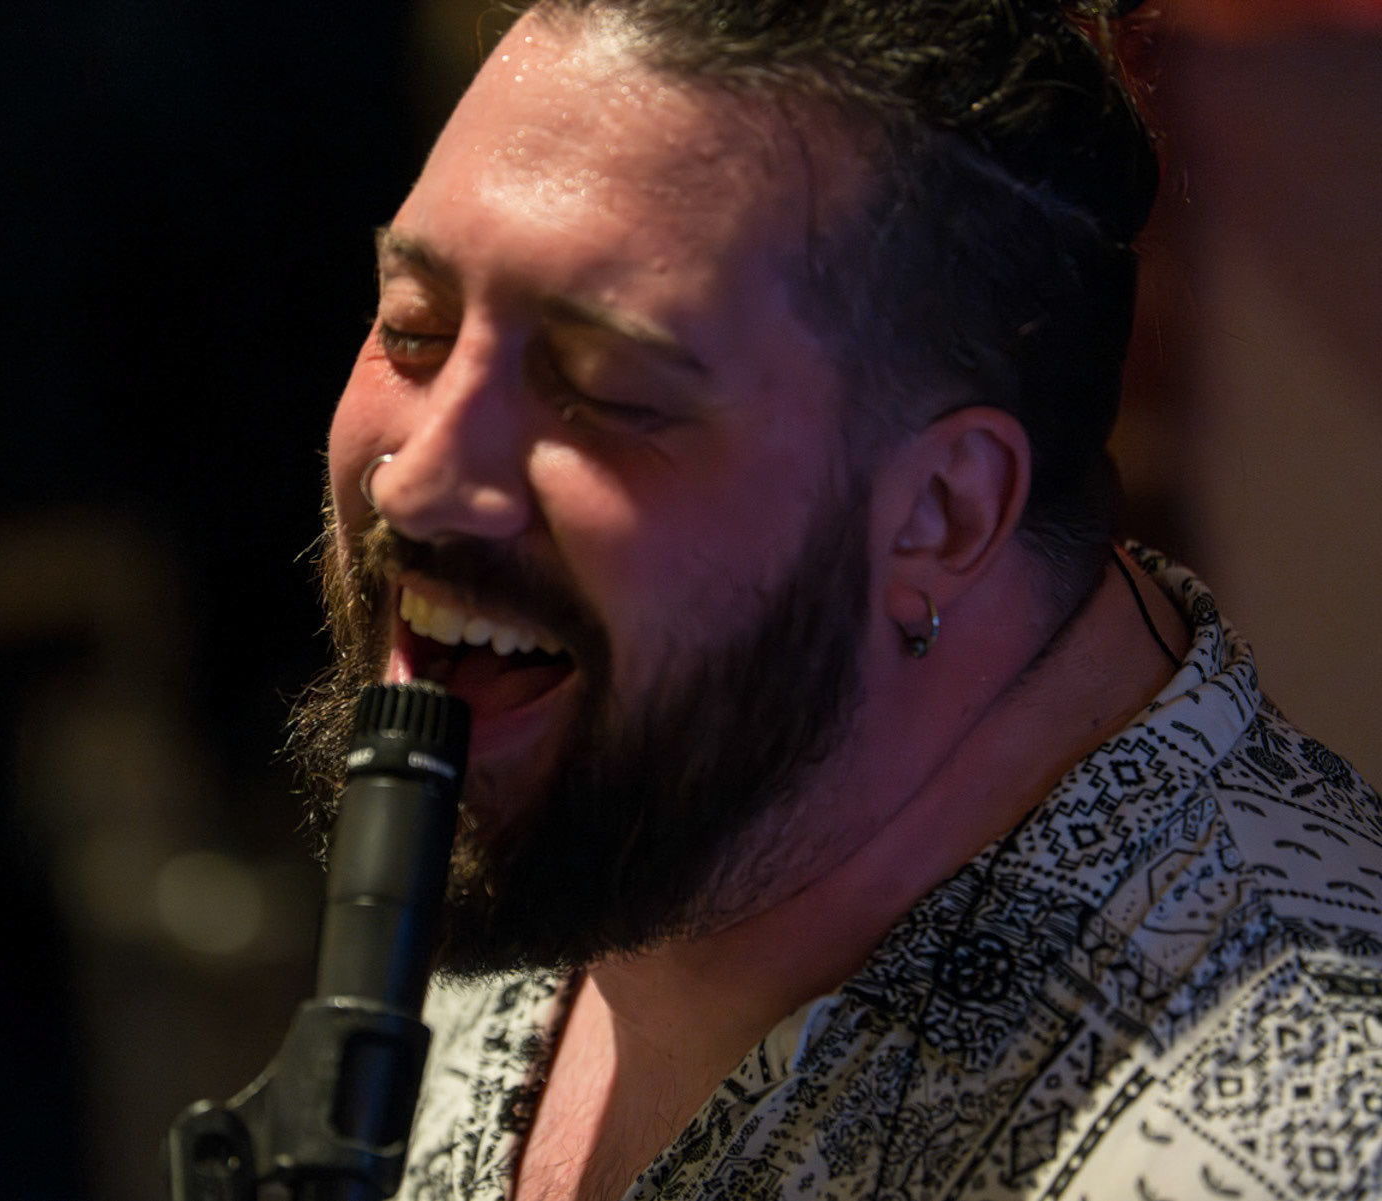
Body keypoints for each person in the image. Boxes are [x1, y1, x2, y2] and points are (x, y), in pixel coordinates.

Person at [287, 0, 1382, 1197]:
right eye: (416, 330)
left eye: (603, 390)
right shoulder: (622, 788)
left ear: (941, 513)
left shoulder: (1290, 1146)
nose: (421, 479)